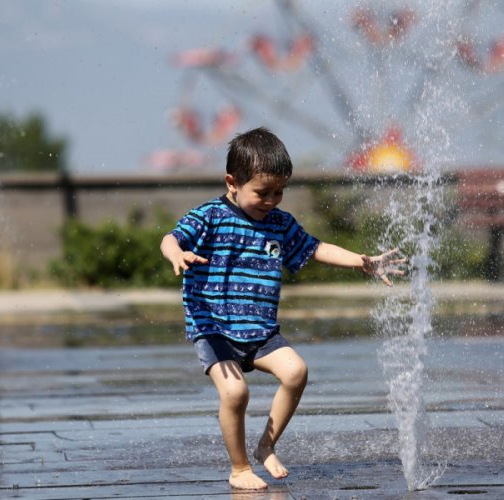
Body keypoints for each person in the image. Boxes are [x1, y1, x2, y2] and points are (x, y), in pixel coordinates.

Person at [160, 126, 406, 490]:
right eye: (262, 192)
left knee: (296, 372)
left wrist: (363, 262)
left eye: (279, 192)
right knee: (235, 393)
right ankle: (240, 468)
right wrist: (176, 254)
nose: (272, 200)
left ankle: (266, 446)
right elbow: (171, 238)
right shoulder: (210, 216)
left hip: (260, 331)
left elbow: (316, 248)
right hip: (214, 328)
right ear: (232, 182)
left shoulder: (280, 224)